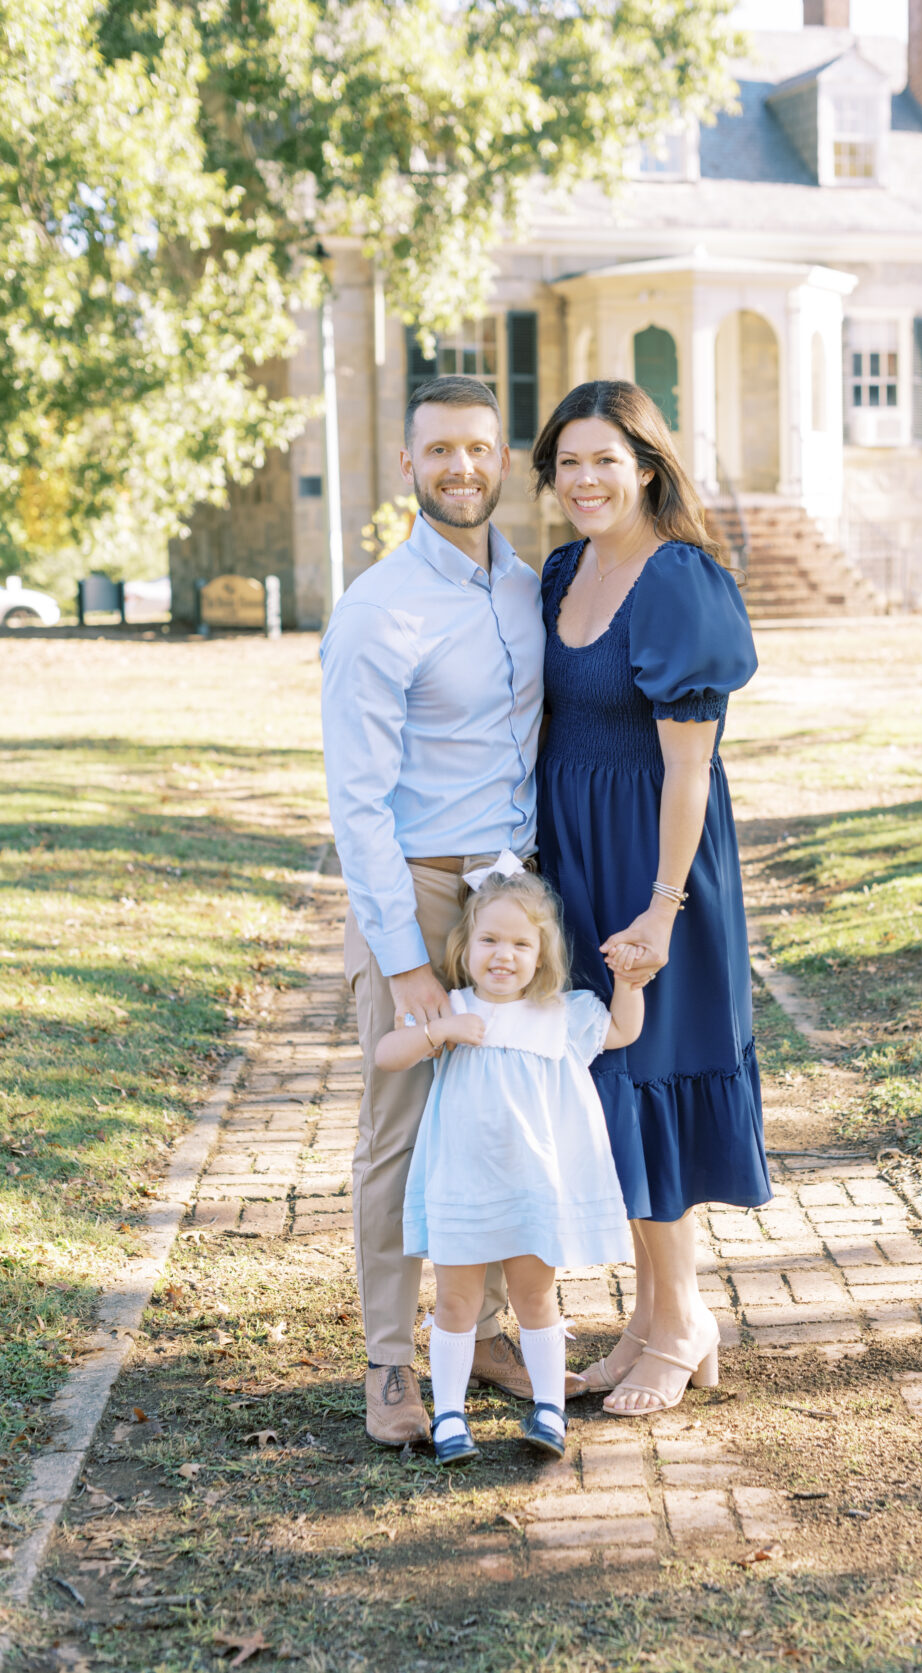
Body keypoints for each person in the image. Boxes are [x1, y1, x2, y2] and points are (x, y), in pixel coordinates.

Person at [320, 374, 580, 1449]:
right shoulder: (379, 606)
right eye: (439, 452)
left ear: (502, 457)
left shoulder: (526, 586)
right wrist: (405, 961)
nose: (461, 468)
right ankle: (391, 1361)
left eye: (477, 448)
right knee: (400, 1133)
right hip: (421, 888)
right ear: (408, 467)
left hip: (511, 896)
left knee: (507, 1122)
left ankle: (486, 1333)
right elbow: (358, 802)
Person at [531, 379, 773, 1416]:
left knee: (648, 1067)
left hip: (653, 863)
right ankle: (649, 1314)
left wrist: (661, 908)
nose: (586, 480)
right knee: (607, 1080)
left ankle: (682, 1317)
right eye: (568, 462)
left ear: (646, 466)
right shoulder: (559, 572)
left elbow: (687, 771)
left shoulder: (677, 581)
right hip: (575, 861)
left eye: (605, 460)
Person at [374, 863, 644, 1464]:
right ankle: (448, 1416)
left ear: (542, 954)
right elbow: (387, 1054)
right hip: (462, 1185)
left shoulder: (562, 1013)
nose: (504, 955)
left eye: (522, 944)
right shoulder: (450, 1006)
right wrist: (439, 1031)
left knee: (536, 1297)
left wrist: (630, 980)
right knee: (455, 1302)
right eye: (490, 940)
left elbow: (624, 1030)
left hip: (533, 1189)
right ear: (465, 946)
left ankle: (549, 1408)